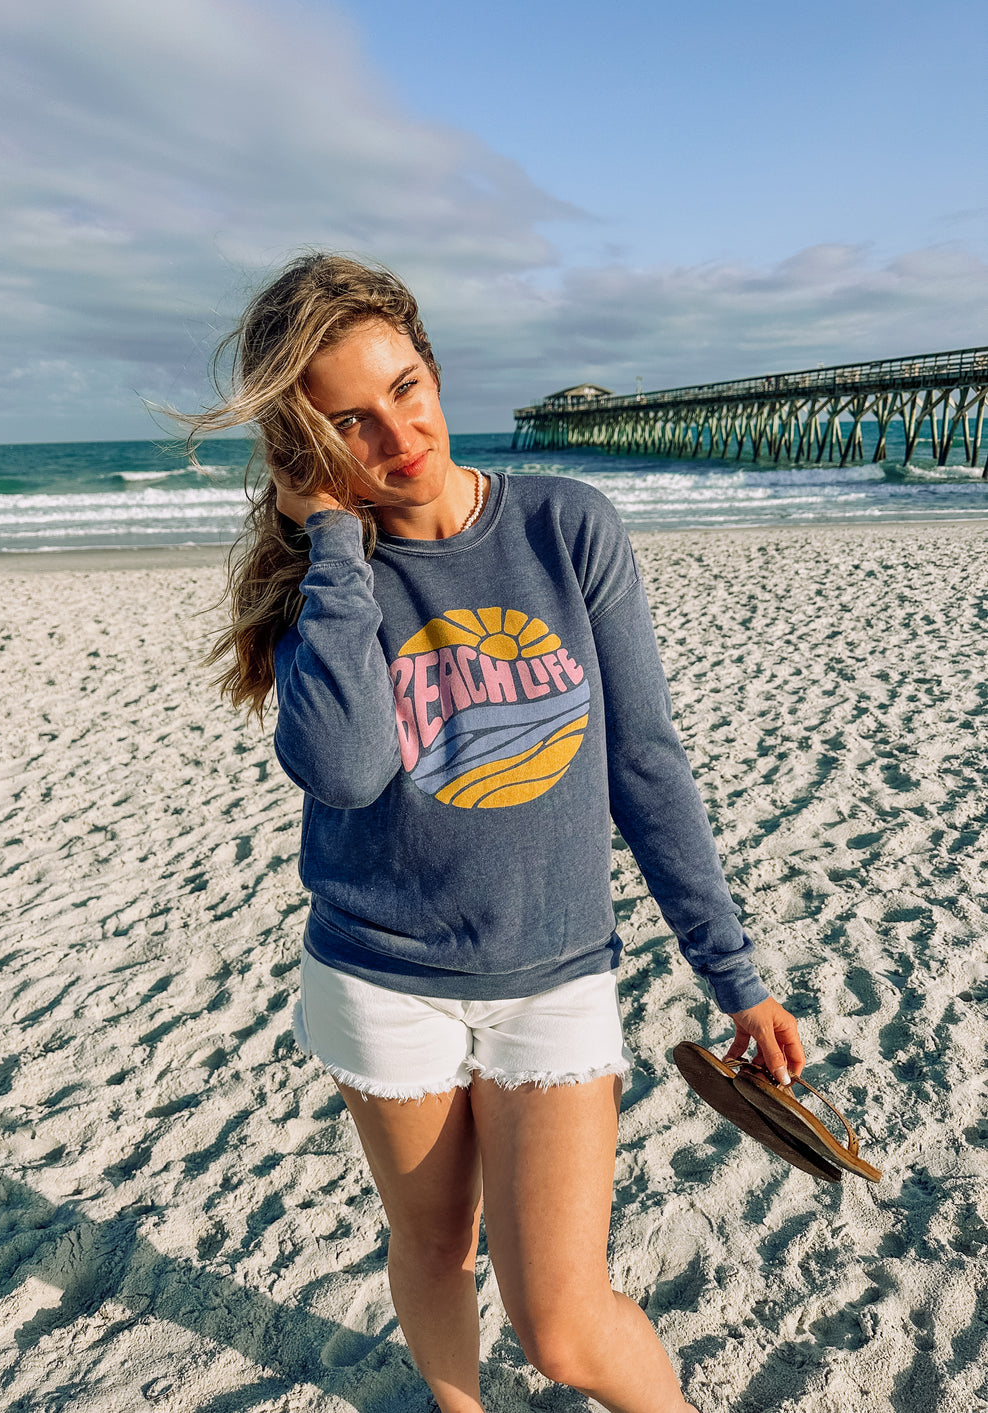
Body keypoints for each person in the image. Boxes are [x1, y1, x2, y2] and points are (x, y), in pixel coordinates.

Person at [184, 252, 805, 1413]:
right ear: (309, 452)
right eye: (351, 423)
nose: (398, 436)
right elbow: (349, 767)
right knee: (429, 1249)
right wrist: (330, 550)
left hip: (554, 977)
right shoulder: (336, 580)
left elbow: (643, 766)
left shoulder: (569, 527)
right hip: (382, 976)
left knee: (563, 1327)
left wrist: (734, 976)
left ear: (433, 365)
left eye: (407, 388)